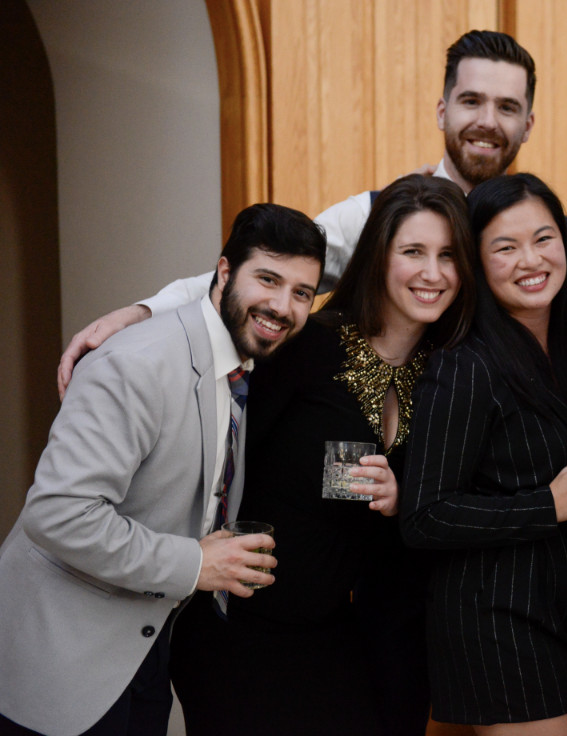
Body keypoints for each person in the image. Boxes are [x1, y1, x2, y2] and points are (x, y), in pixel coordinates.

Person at [56, 29, 537, 394]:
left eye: (507, 107)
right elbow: (252, 278)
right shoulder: (375, 216)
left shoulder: (545, 239)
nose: (487, 121)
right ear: (442, 111)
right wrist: (140, 313)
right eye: (471, 101)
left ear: (528, 124)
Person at [0, 203, 325, 736]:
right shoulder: (138, 363)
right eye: (268, 279)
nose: (281, 306)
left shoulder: (239, 364)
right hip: (60, 663)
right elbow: (58, 513)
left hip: (145, 654)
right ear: (224, 273)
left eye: (302, 293)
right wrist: (196, 564)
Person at [168, 176, 477, 736]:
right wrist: (139, 313)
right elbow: (217, 456)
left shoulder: (452, 371)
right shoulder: (306, 342)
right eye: (413, 251)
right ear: (379, 255)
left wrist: (402, 500)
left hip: (353, 643)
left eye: (448, 255)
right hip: (245, 634)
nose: (432, 273)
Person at [402, 173, 567, 735]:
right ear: (478, 262)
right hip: (499, 621)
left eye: (544, 239)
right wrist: (550, 503)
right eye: (505, 247)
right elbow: (424, 515)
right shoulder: (465, 365)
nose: (531, 260)